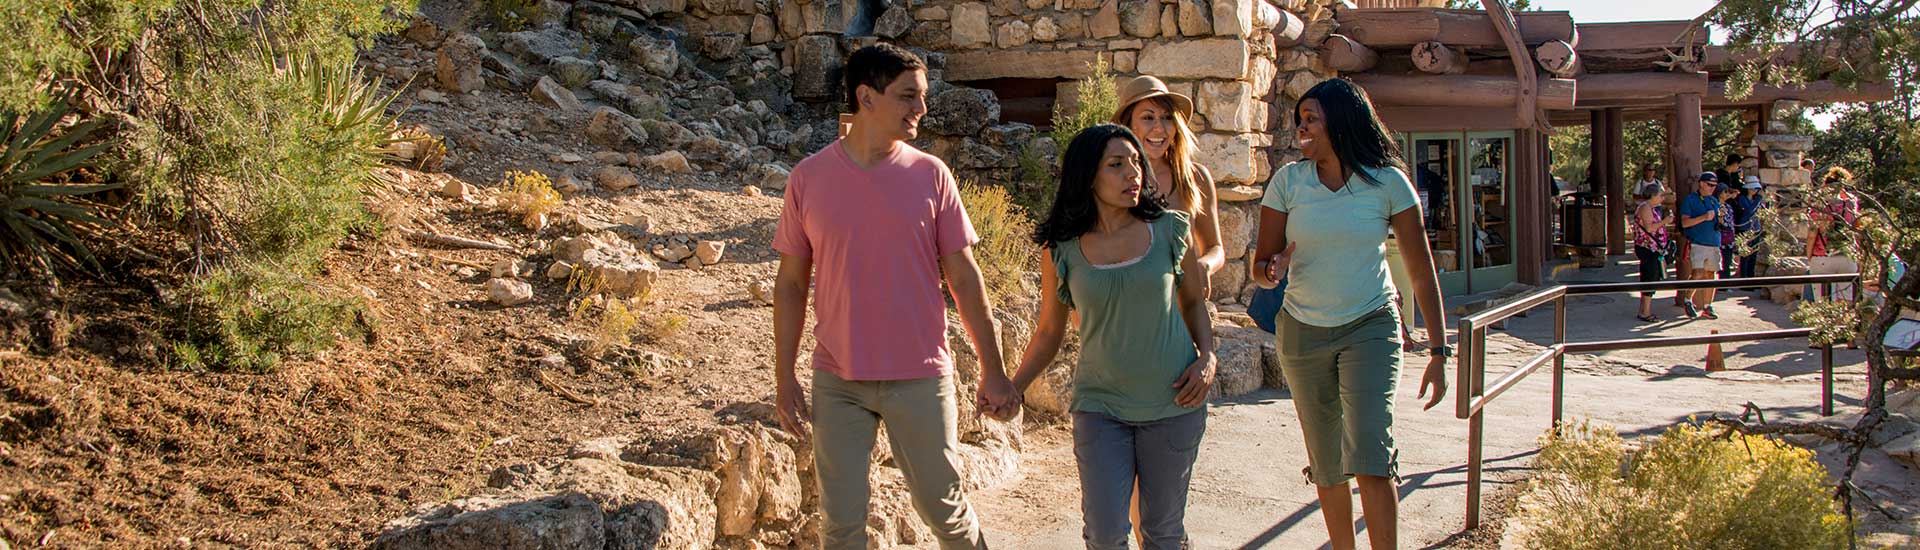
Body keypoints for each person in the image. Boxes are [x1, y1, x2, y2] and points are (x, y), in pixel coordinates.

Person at [771, 44, 1017, 550]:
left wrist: (994, 370)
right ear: (866, 97)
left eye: (922, 97)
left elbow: (965, 279)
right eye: (908, 96)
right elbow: (792, 284)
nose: (921, 110)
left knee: (943, 512)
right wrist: (784, 376)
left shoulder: (932, 176)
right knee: (840, 528)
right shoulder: (809, 179)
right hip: (837, 379)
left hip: (920, 376)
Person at [1250, 78, 1450, 550]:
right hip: (1302, 332)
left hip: (1370, 325)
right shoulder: (1287, 183)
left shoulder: (1388, 183)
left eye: (1310, 119)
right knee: (1326, 461)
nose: (1301, 128)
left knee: (1371, 456)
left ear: (1341, 121)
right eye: (1299, 120)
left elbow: (1421, 273)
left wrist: (1440, 350)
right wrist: (1271, 271)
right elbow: (1260, 269)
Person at [1010, 124, 1217, 550]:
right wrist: (1013, 387)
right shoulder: (1061, 248)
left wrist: (1208, 356)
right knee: (1105, 535)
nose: (1133, 174)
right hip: (1100, 407)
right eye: (1117, 165)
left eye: (1136, 162)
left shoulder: (1171, 230)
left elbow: (1194, 303)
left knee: (1162, 534)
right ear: (1088, 175)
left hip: (1174, 402)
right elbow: (1049, 331)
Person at [1109, 75, 1225, 544]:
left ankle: (1162, 534)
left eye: (1165, 118)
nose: (1158, 128)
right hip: (1128, 328)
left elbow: (1216, 247)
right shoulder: (1112, 175)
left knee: (1168, 458)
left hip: (1181, 326)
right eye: (1147, 117)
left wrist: (1200, 266)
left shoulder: (1195, 180)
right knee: (1129, 470)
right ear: (1127, 124)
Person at [1808, 166, 1862, 301]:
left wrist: (1809, 255)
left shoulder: (1820, 205)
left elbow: (1813, 233)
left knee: (1821, 299)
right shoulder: (1850, 205)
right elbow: (1857, 231)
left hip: (1822, 255)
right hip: (1847, 255)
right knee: (1846, 298)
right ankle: (1843, 322)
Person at [1678, 171, 1725, 319]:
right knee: (1697, 274)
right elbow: (1685, 222)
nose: (1712, 188)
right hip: (1698, 242)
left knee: (1711, 274)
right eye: (1710, 185)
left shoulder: (1713, 201)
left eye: (1714, 186)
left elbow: (1717, 221)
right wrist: (1704, 217)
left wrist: (1721, 219)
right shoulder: (1690, 200)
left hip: (1714, 242)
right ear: (1701, 184)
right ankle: (1687, 300)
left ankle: (1707, 306)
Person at [1632, 180, 1670, 322]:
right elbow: (1649, 228)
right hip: (1647, 248)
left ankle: (1644, 309)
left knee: (1652, 277)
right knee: (1649, 277)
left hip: (1653, 248)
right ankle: (1645, 312)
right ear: (1652, 195)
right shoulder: (1645, 207)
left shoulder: (1651, 208)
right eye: (1660, 195)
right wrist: (1665, 221)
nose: (1662, 198)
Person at [1731, 175, 1767, 281]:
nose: (1756, 191)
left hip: (1755, 229)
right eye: (1754, 188)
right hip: (1745, 228)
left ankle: (1751, 279)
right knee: (1745, 255)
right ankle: (1744, 279)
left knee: (1753, 256)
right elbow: (1748, 212)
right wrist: (1759, 199)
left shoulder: (1756, 200)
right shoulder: (1742, 199)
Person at [1716, 182, 1740, 279]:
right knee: (1721, 263)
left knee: (1727, 261)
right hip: (1719, 238)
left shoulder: (1728, 206)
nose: (1727, 194)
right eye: (1725, 191)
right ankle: (1722, 284)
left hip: (1729, 239)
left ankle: (1726, 282)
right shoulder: (1715, 206)